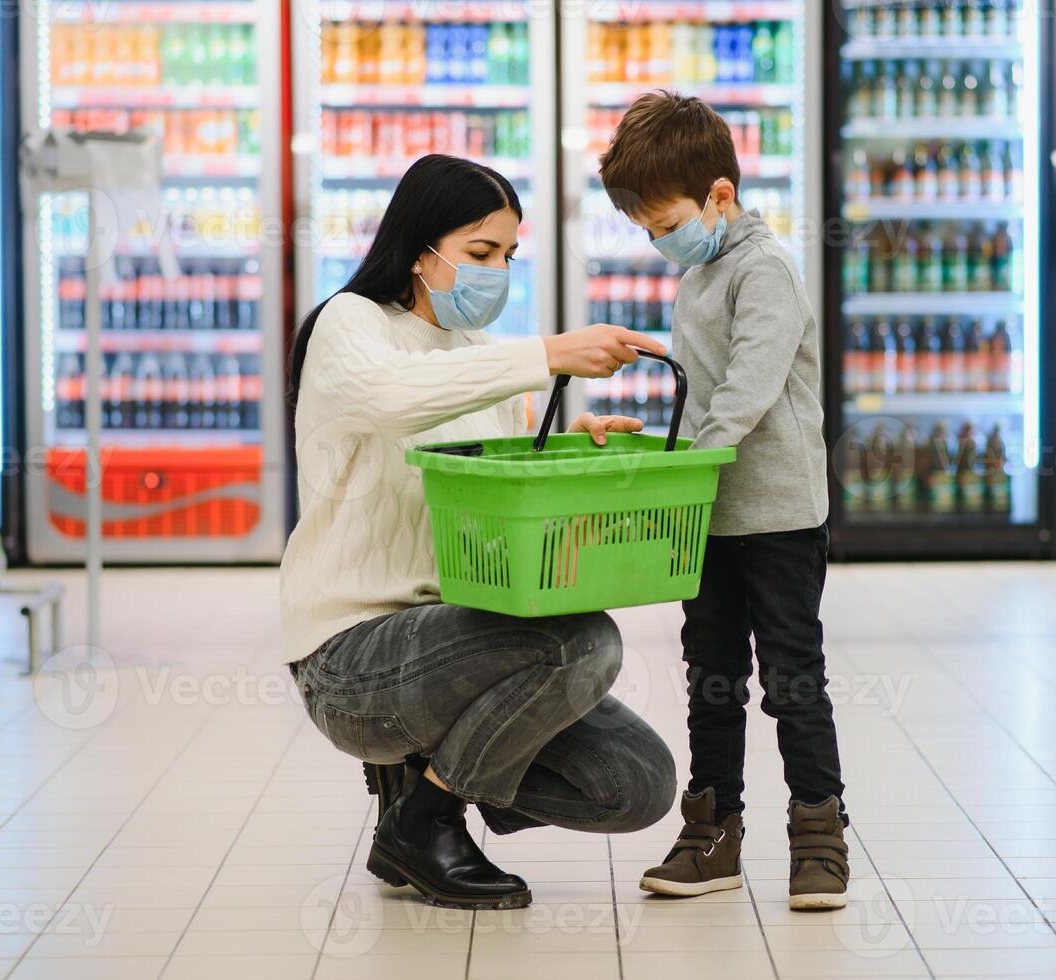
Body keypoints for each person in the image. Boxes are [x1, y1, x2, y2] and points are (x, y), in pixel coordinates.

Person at [281, 154, 676, 911]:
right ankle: (425, 822)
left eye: (509, 256)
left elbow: (493, 512)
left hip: (459, 642)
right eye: (482, 253)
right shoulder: (351, 325)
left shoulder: (484, 363)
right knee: (582, 641)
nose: (499, 272)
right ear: (423, 247)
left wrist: (573, 452)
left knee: (638, 784)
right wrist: (548, 355)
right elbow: (398, 401)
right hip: (352, 655)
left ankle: (425, 777)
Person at [598, 92, 849, 909]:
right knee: (711, 677)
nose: (659, 240)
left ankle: (819, 838)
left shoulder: (764, 267)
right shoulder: (702, 271)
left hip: (775, 515)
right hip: (709, 513)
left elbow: (746, 390)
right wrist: (658, 432)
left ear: (720, 195)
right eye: (646, 229)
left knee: (792, 680)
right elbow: (705, 387)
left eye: (664, 221)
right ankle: (712, 834)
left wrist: (690, 462)